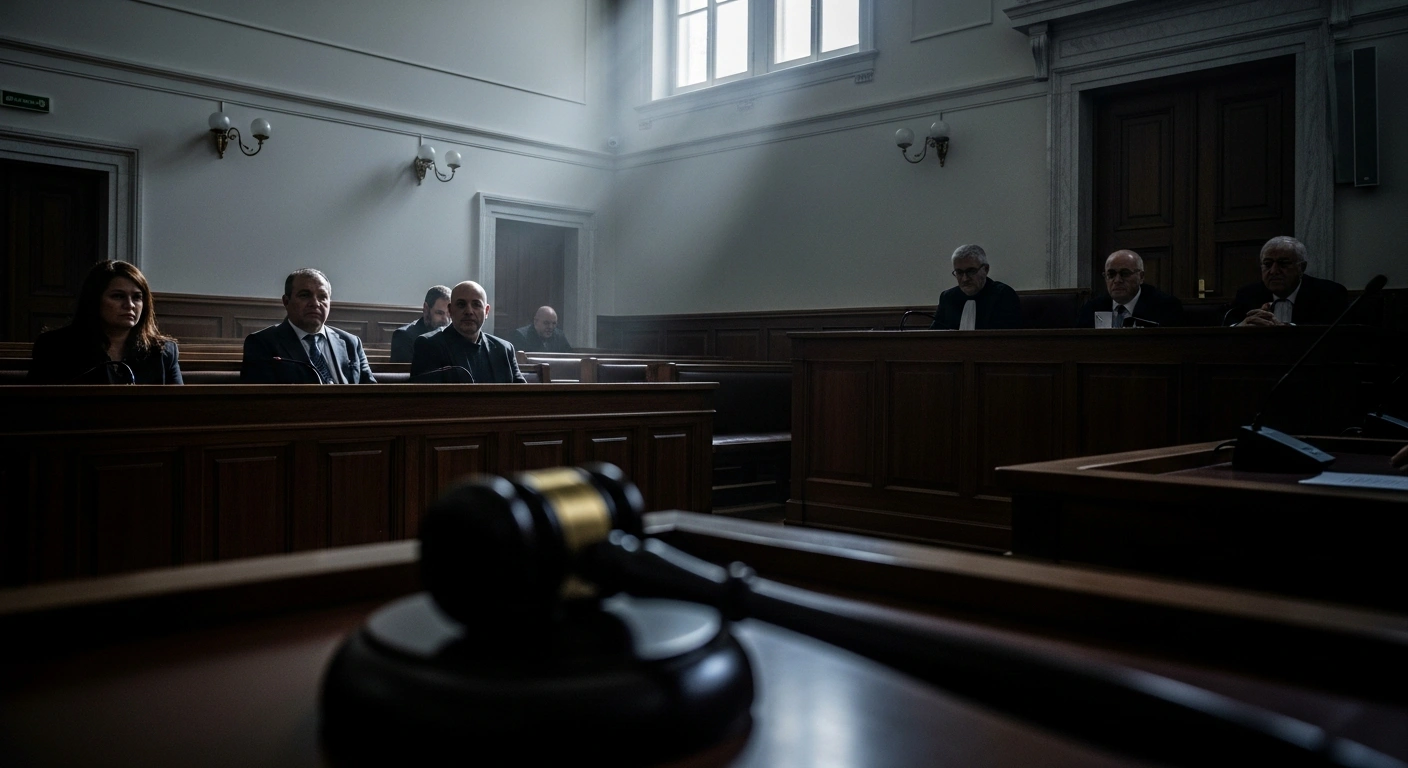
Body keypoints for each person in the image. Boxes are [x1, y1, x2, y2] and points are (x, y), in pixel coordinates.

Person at [28, 260, 183, 384]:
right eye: (118, 296)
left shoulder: (163, 352)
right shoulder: (54, 347)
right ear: (94, 300)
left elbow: (179, 409)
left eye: (137, 297)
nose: (130, 305)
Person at [240, 268, 375, 384]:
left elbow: (371, 392)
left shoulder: (350, 342)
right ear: (286, 302)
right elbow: (260, 402)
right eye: (305, 295)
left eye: (322, 296)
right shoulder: (262, 343)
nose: (315, 303)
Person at [411, 280, 525, 383]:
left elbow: (523, 396)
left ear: (486, 311)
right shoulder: (429, 345)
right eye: (461, 304)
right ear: (450, 310)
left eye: (476, 304)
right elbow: (424, 401)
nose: (469, 311)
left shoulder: (504, 349)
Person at [1228, 236, 1349, 326]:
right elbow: (1228, 322)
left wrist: (1287, 328)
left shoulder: (1329, 293)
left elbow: (1335, 332)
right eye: (1268, 264)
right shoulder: (1248, 294)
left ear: (1302, 268)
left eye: (1283, 264)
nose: (1274, 271)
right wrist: (1241, 326)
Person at [1077, 250, 1183, 328]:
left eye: (1125, 274)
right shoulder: (1092, 308)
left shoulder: (1166, 307)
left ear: (1141, 277)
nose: (1117, 280)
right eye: (1111, 274)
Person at [928, 244, 1021, 330]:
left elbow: (1008, 339)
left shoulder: (1003, 295)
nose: (965, 279)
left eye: (971, 271)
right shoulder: (947, 297)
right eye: (959, 272)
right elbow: (934, 336)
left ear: (986, 269)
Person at [390, 285, 451, 363]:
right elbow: (404, 373)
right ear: (426, 309)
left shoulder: (453, 336)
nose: (445, 320)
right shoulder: (404, 336)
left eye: (449, 314)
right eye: (439, 313)